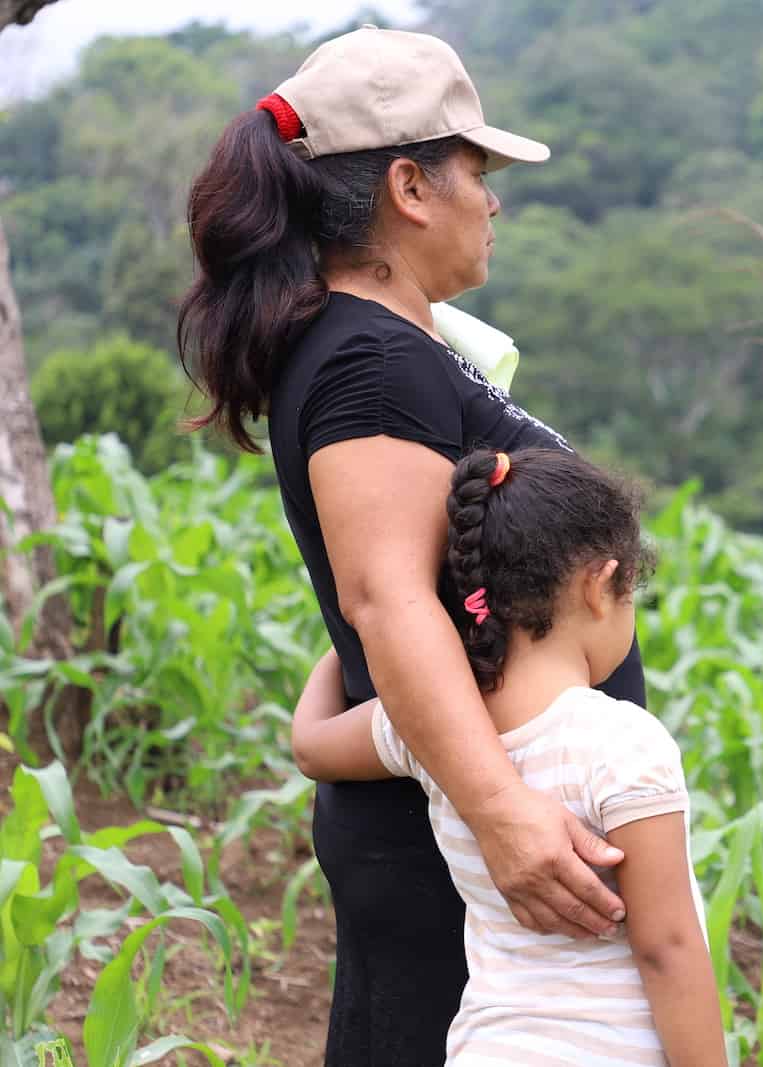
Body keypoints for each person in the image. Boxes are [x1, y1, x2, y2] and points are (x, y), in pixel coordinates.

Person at [177, 26, 640, 1063]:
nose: (495, 200)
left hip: (457, 830)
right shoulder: (369, 362)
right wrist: (503, 814)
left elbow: (409, 583)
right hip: (452, 845)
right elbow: (386, 599)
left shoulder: (397, 346)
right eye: (479, 171)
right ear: (409, 187)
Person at [291, 448, 725, 1066]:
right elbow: (667, 948)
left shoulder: (428, 729)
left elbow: (311, 743)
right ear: (600, 587)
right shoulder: (625, 743)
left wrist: (366, 631)